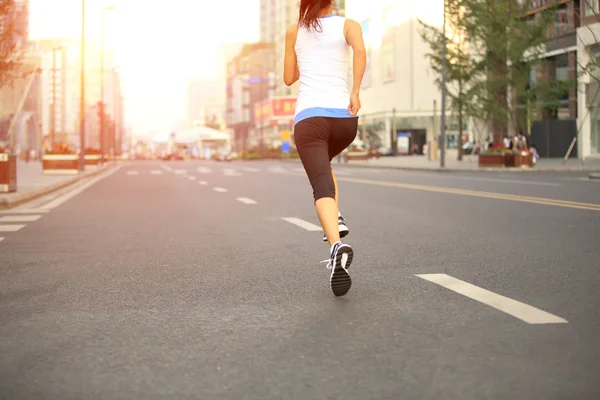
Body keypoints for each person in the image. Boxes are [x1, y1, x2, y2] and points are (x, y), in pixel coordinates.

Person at [283, 0, 366, 296]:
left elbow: (289, 77)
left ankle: (335, 249)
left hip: (311, 119)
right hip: (345, 120)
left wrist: (306, 58)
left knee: (321, 185)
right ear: (332, 2)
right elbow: (360, 51)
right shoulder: (349, 25)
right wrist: (355, 91)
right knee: (326, 170)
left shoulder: (294, 31)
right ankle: (336, 217)